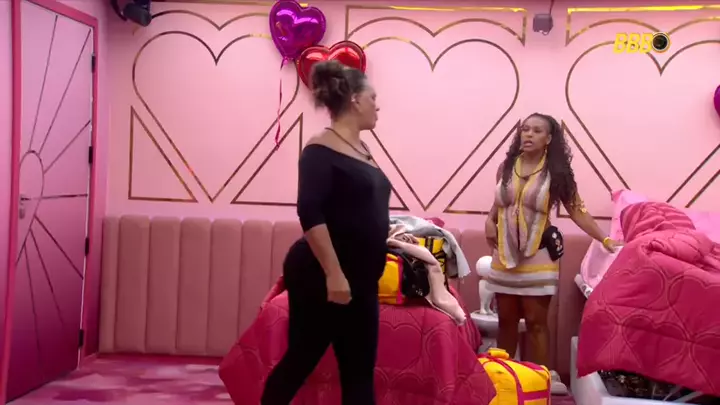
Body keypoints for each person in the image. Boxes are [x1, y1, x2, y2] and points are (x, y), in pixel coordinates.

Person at [261, 60, 388, 405]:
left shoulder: (362, 150)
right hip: (322, 273)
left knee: (359, 372)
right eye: (373, 98)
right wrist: (334, 274)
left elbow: (357, 210)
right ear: (355, 100)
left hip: (361, 277)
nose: (378, 106)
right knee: (302, 358)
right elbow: (310, 211)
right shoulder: (319, 150)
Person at [483, 113, 621, 392]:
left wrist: (605, 239)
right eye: (525, 129)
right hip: (505, 256)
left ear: (548, 139)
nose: (528, 134)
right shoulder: (506, 167)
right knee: (506, 322)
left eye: (537, 131)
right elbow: (500, 204)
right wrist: (489, 221)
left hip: (539, 256)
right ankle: (505, 387)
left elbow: (577, 210)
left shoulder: (557, 173)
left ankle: (538, 388)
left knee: (536, 323)